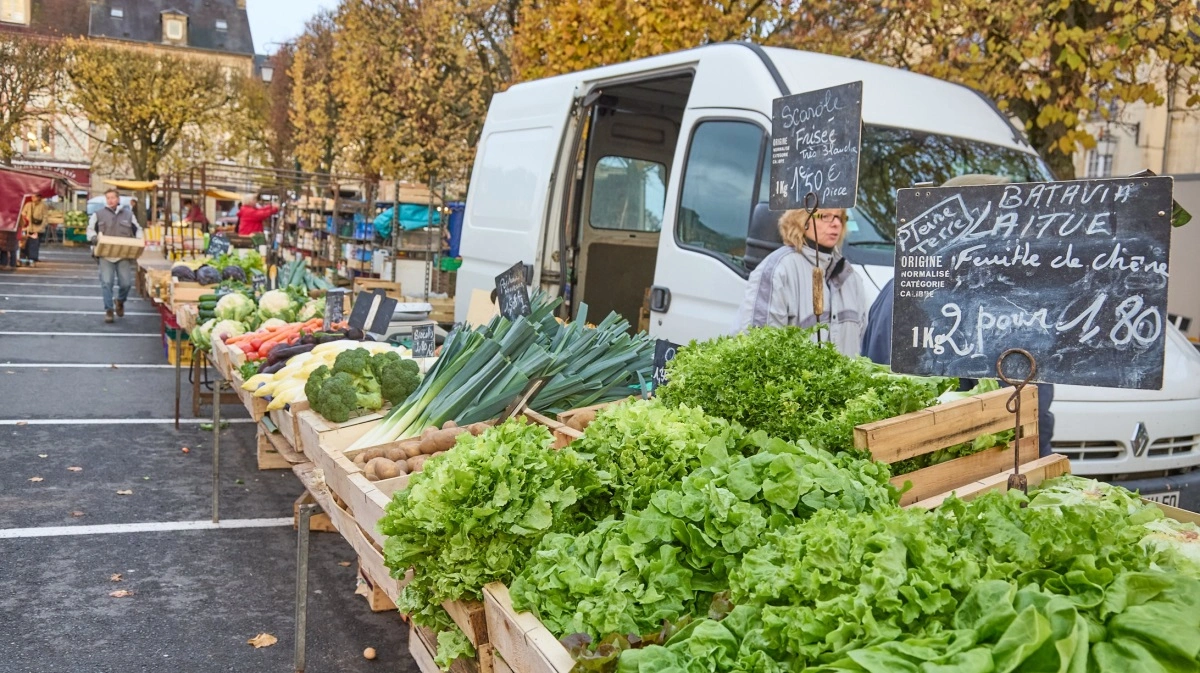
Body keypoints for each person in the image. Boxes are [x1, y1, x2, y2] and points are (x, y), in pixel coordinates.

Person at [858, 173, 1055, 454]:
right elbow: (1022, 410)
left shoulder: (898, 284)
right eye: (1006, 223)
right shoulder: (989, 299)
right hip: (959, 467)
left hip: (896, 456)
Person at [734, 206, 867, 356]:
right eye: (825, 216)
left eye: (839, 217)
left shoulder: (851, 278)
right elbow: (756, 347)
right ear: (801, 220)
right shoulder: (778, 271)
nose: (836, 223)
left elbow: (862, 342)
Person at [87, 188, 142, 323]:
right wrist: (93, 237)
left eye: (113, 197)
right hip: (105, 255)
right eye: (108, 198)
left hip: (122, 254)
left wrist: (140, 240)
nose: (110, 200)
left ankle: (120, 301)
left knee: (126, 284)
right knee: (106, 282)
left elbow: (138, 229)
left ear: (118, 199)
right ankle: (109, 310)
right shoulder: (98, 214)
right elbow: (90, 229)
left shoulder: (129, 215)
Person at [19, 194, 48, 267]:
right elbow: (23, 213)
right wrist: (25, 220)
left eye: (34, 197)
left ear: (39, 197)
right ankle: (27, 256)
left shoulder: (43, 205)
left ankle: (34, 257)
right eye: (32, 197)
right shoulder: (28, 205)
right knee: (26, 243)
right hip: (29, 228)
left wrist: (42, 226)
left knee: (36, 243)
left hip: (38, 228)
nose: (33, 198)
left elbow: (45, 216)